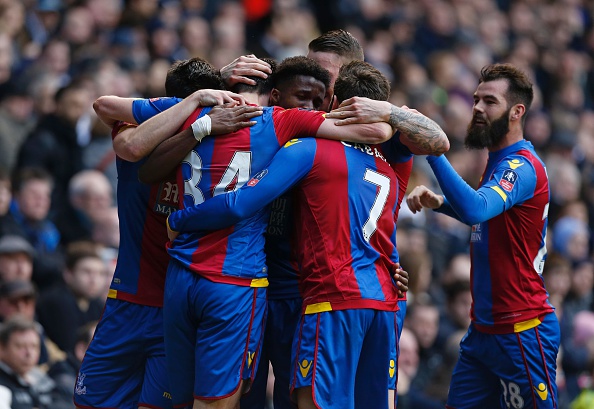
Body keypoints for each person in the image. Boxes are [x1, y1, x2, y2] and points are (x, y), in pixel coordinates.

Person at [165, 60, 447, 409]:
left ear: (335, 104)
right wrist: (391, 113)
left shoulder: (307, 148)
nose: (312, 107)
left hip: (329, 297)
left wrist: (180, 220)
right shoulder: (396, 158)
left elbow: (239, 203)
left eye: (322, 99)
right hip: (385, 300)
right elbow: (439, 140)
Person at [405, 63, 559, 408]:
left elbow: (476, 209)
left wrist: (433, 151)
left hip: (522, 328)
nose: (476, 108)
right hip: (483, 330)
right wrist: (442, 203)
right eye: (475, 99)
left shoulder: (520, 166)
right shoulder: (498, 160)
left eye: (489, 101)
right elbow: (486, 217)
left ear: (516, 111)